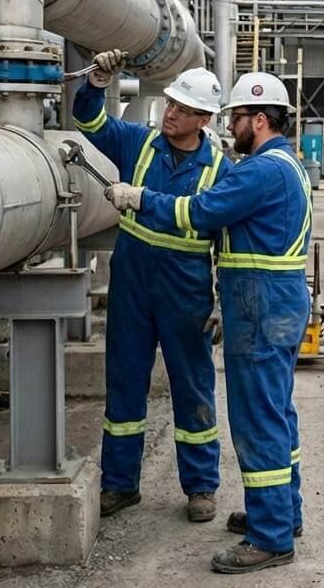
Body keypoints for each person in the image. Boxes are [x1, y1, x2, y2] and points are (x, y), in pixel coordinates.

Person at [105, 71, 312, 575]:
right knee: (277, 414)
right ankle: (285, 512)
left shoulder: (259, 171)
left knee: (258, 420)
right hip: (273, 303)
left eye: (236, 118)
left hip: (260, 306)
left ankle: (270, 537)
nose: (231, 127)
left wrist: (139, 199)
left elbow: (200, 211)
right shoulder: (287, 164)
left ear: (258, 120)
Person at [73, 51, 228, 522]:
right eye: (169, 104)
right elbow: (90, 122)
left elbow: (227, 242)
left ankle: (201, 487)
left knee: (193, 385)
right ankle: (121, 484)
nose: (170, 113)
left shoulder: (220, 170)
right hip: (134, 284)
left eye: (181, 109)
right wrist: (96, 85)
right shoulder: (140, 144)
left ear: (202, 119)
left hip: (187, 290)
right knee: (124, 382)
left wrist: (221, 300)